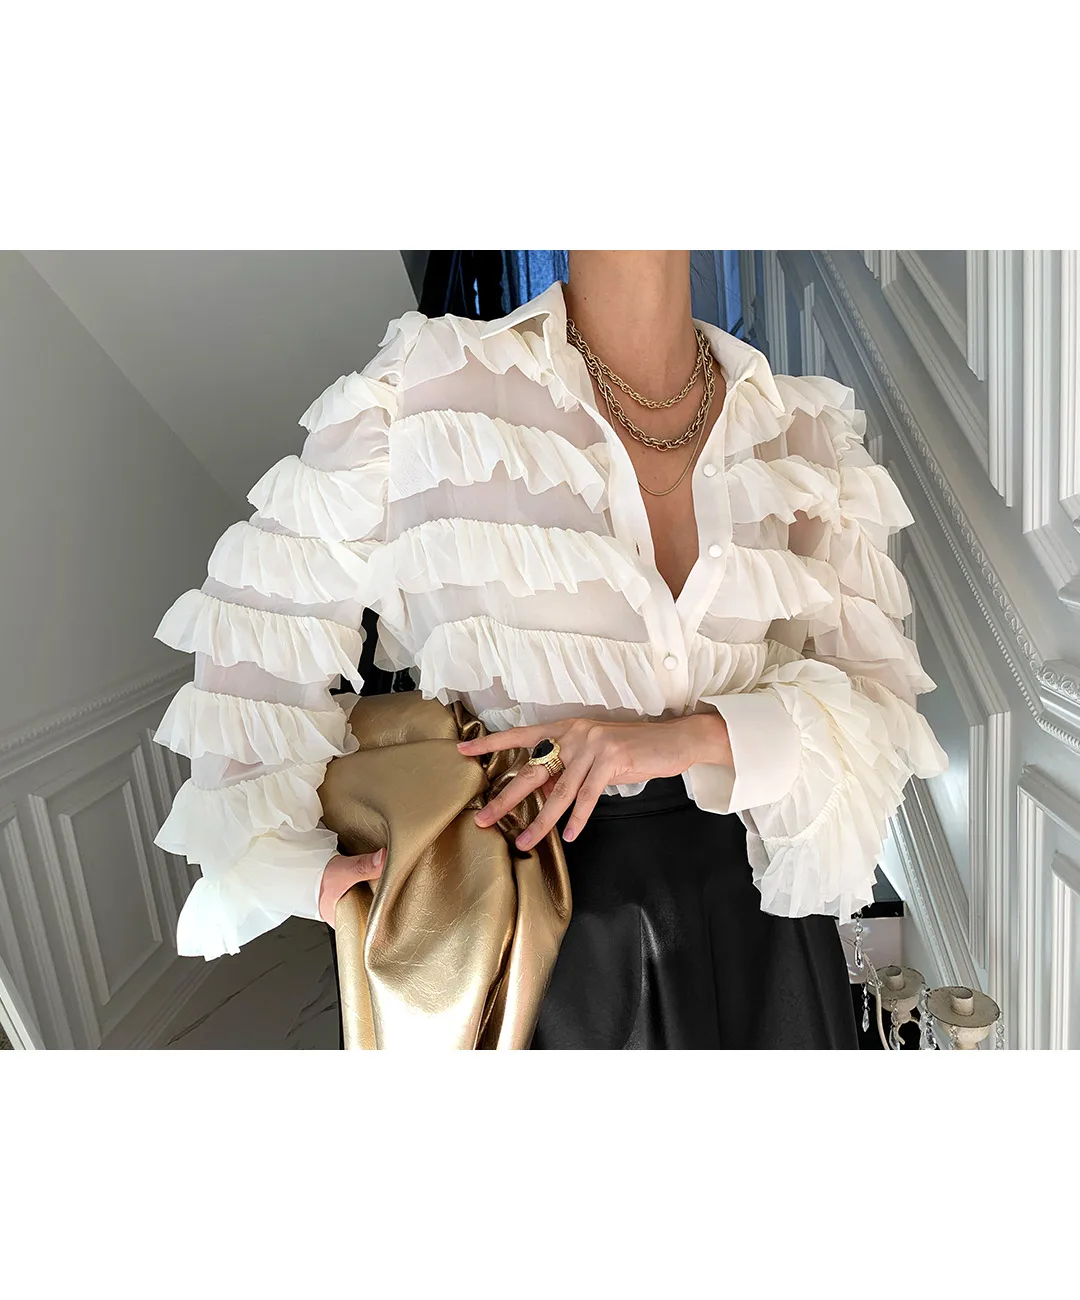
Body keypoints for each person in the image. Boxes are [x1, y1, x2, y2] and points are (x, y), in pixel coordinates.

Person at [152, 250, 948, 1049]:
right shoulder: (427, 392)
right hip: (547, 939)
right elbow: (248, 653)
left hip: (764, 930)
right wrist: (314, 879)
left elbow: (875, 722)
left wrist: (698, 737)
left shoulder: (805, 438)